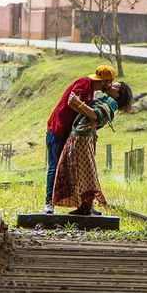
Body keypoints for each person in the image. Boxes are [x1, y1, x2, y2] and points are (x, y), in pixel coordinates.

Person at [52, 81, 134, 216]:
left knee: (85, 171)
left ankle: (87, 208)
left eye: (115, 87)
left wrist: (78, 103)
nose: (111, 85)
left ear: (119, 94)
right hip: (81, 137)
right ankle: (85, 206)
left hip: (82, 139)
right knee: (82, 171)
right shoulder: (105, 100)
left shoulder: (110, 103)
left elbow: (96, 114)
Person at [44, 64, 115, 213]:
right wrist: (87, 112)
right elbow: (71, 100)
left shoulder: (92, 91)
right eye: (110, 82)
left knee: (74, 169)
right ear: (104, 81)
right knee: (54, 166)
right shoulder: (84, 83)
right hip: (57, 129)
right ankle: (49, 203)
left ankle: (84, 206)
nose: (110, 85)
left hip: (69, 133)